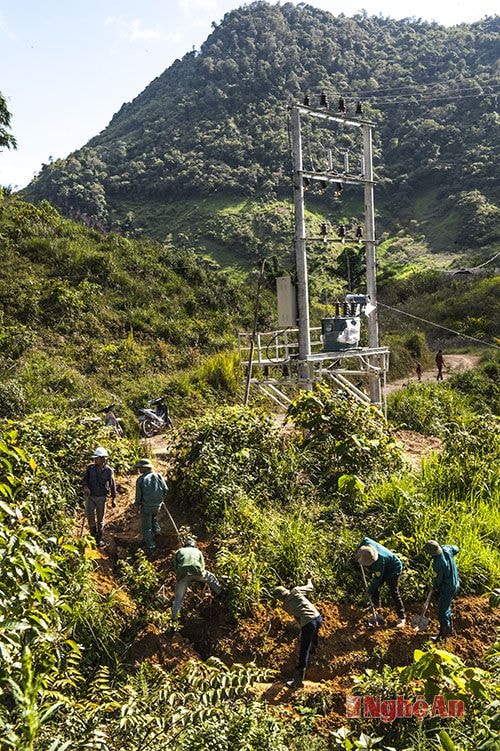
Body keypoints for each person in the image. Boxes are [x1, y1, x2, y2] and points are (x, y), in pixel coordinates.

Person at [273, 574, 323, 689]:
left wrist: (303, 627)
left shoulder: (285, 606)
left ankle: (299, 680)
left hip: (308, 623)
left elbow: (298, 616)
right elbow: (310, 587)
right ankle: (314, 646)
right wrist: (309, 579)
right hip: (318, 617)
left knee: (303, 650)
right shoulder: (295, 591)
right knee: (314, 631)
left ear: (280, 599)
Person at [170, 538, 222, 626]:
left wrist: (179, 576)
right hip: (197, 571)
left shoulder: (179, 551)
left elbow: (175, 565)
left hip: (183, 575)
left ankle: (174, 621)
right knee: (211, 577)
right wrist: (199, 575)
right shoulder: (197, 551)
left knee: (178, 599)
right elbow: (202, 565)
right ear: (194, 545)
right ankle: (221, 592)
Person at [356, 537, 406, 628]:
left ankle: (401, 617)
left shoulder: (379, 562)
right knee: (375, 588)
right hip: (384, 565)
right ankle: (376, 606)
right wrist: (359, 555)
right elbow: (363, 540)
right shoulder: (366, 542)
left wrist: (369, 591)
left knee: (393, 591)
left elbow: (377, 580)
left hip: (394, 569)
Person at [425, 540, 460, 641]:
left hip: (447, 588)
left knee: (441, 610)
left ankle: (442, 635)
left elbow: (438, 581)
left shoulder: (438, 564)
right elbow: (456, 548)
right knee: (446, 606)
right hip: (455, 583)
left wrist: (434, 586)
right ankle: (449, 628)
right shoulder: (447, 549)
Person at [82, 447, 116, 548]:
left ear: (102, 459)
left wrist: (113, 499)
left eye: (96, 458)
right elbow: (84, 480)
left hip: (101, 497)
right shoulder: (90, 468)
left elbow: (112, 484)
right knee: (90, 517)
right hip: (90, 496)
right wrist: (86, 487)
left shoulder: (109, 471)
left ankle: (99, 539)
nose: (95, 460)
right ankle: (93, 537)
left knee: (100, 519)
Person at [134, 458, 168, 558]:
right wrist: (160, 499)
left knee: (146, 528)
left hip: (146, 507)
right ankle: (157, 531)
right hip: (157, 505)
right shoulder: (158, 476)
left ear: (144, 468)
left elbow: (138, 496)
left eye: (140, 468)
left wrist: (137, 505)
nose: (139, 470)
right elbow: (165, 489)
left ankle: (151, 546)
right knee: (153, 517)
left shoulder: (141, 479)